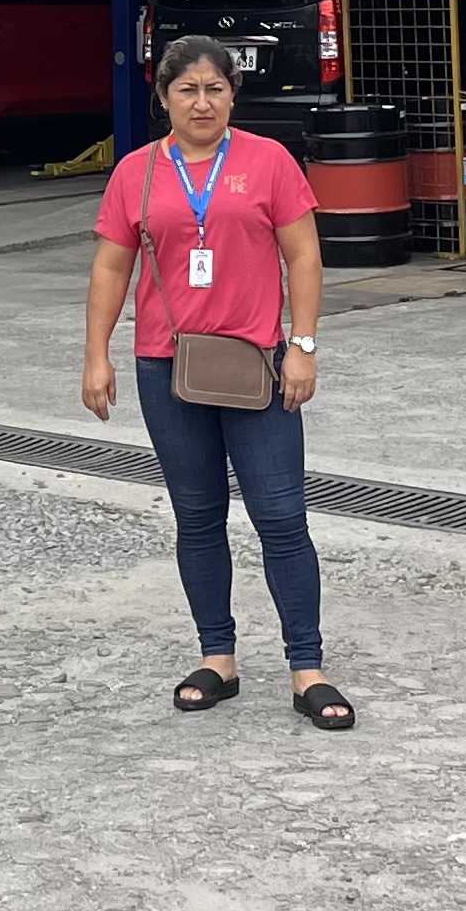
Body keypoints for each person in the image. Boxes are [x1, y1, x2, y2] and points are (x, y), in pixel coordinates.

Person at [81, 36, 353, 730]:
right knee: (198, 518)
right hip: (165, 366)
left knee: (281, 517)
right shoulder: (137, 173)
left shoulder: (269, 161)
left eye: (215, 89)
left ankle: (307, 667)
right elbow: (111, 267)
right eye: (187, 90)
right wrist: (96, 356)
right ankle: (218, 657)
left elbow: (305, 258)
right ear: (163, 98)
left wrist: (303, 347)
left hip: (258, 366)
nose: (201, 103)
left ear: (233, 95)